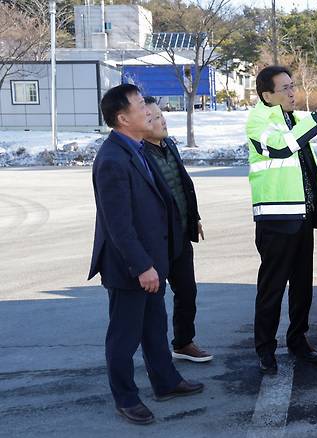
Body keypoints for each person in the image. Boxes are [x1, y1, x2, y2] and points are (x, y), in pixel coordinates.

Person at [88, 84, 203, 425]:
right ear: (122, 118)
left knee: (155, 327)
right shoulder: (112, 159)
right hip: (130, 267)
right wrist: (142, 266)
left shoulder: (136, 148)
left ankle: (166, 382)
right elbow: (117, 225)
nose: (148, 109)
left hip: (153, 261)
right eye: (140, 105)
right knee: (123, 337)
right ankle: (126, 398)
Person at [245, 65, 317, 374]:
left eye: (292, 86)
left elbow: (308, 167)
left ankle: (298, 340)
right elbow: (282, 149)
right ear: (266, 95)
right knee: (272, 288)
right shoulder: (259, 120)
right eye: (284, 88)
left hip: (301, 216)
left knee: (302, 287)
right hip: (275, 219)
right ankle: (265, 348)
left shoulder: (293, 119)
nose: (291, 92)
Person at [142, 96, 212, 363]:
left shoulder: (169, 144)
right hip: (157, 241)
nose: (162, 121)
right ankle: (156, 357)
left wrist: (193, 217)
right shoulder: (139, 154)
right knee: (154, 302)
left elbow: (182, 185)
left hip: (180, 235)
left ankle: (183, 343)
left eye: (161, 115)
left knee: (187, 292)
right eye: (153, 118)